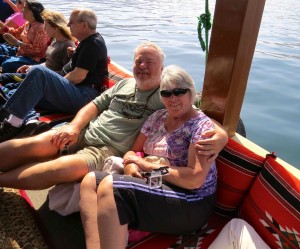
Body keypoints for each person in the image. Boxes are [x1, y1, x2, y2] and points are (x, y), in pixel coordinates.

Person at [0, 42, 227, 196]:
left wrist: (222, 135)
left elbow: (197, 114)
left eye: (150, 62)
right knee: (29, 145)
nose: (142, 66)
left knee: (59, 168)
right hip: (83, 131)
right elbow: (93, 105)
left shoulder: (168, 94)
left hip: (107, 150)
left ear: (162, 68)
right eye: (139, 61)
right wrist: (75, 127)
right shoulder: (124, 84)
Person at [78, 64, 220, 249]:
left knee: (112, 188)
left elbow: (194, 179)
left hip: (192, 201)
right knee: (91, 181)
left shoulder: (201, 128)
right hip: (159, 183)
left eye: (179, 91)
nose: (173, 98)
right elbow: (132, 151)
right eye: (166, 93)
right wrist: (130, 164)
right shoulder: (157, 117)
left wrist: (145, 165)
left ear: (191, 92)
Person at [0, 8, 108, 142]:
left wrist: (53, 84)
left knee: (38, 72)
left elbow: (77, 77)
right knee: (18, 92)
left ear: (84, 25)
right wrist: (73, 55)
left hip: (84, 95)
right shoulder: (86, 43)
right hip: (76, 92)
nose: (68, 25)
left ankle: (12, 125)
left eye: (71, 22)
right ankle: (31, 123)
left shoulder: (93, 44)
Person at [0, 9, 77, 98]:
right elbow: (48, 63)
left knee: (9, 87)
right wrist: (32, 67)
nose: (44, 29)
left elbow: (65, 73)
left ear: (55, 27)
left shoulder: (67, 45)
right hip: (37, 72)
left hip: (44, 79)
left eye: (46, 26)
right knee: (4, 78)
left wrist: (39, 72)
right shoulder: (55, 41)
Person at [0, 0, 50, 73]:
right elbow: (15, 34)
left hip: (32, 59)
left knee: (7, 65)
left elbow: (38, 51)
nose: (22, 10)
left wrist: (18, 43)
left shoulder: (41, 28)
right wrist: (2, 25)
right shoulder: (28, 24)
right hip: (20, 52)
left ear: (32, 13)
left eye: (25, 8)